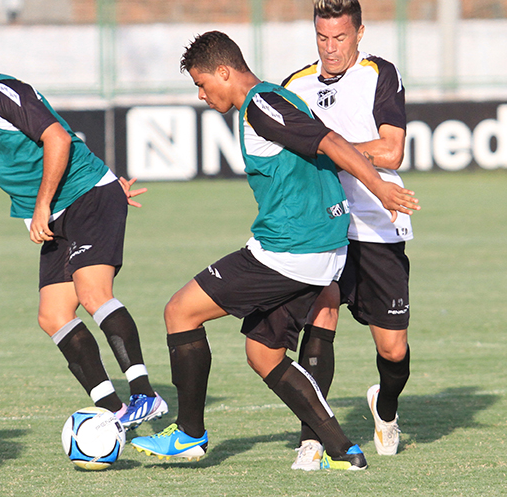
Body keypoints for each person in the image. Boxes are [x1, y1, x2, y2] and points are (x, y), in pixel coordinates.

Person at [129, 31, 419, 470]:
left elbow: (331, 143)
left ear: (224, 72)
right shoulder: (278, 99)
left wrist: (379, 188)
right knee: (263, 354)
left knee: (179, 312)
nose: (202, 95)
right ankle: (343, 451)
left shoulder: (261, 105)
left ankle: (189, 435)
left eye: (202, 84)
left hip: (290, 249)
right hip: (318, 248)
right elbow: (322, 145)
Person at [0, 30, 167, 430]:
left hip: (84, 199)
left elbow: (56, 137)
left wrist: (54, 200)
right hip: (63, 212)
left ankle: (145, 396)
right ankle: (117, 413)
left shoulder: (1, 94)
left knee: (93, 293)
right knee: (52, 315)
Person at [282, 0, 413, 469]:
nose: (330, 46)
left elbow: (392, 151)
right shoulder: (293, 86)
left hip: (379, 225)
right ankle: (313, 436)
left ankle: (386, 405)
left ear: (359, 32)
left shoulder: (379, 73)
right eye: (322, 37)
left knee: (393, 349)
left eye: (340, 36)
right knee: (320, 323)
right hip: (321, 226)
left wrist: (329, 146)